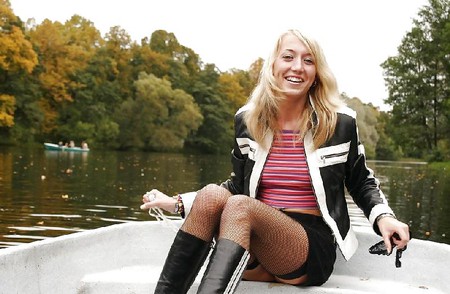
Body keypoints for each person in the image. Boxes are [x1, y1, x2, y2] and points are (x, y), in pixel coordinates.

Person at [140, 29, 410, 294]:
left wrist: (383, 217)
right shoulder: (248, 120)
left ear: (317, 73)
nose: (298, 67)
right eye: (288, 57)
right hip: (252, 242)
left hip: (307, 247)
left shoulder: (340, 122)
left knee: (240, 207)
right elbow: (237, 185)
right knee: (212, 196)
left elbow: (360, 180)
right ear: (273, 65)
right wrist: (177, 203)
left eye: (308, 60)